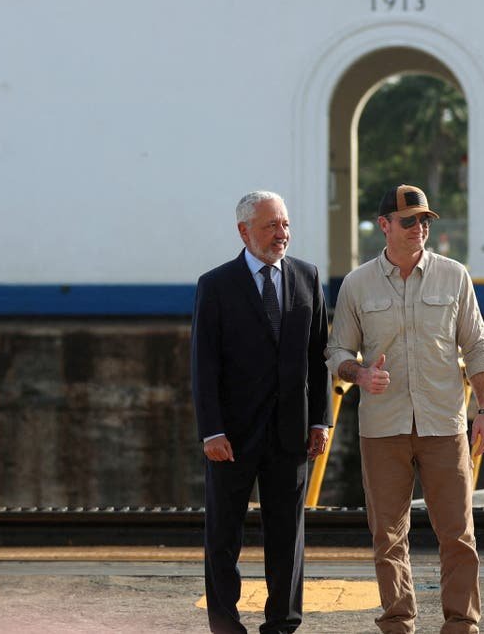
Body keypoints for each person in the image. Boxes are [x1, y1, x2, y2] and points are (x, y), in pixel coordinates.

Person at [325, 184, 484, 634]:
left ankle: (461, 624)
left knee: (458, 534)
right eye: (408, 220)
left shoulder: (454, 276)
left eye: (424, 220)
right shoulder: (357, 284)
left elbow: (477, 348)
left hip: (444, 425)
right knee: (388, 535)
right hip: (383, 427)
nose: (419, 227)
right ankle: (398, 623)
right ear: (384, 225)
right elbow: (337, 351)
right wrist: (360, 374)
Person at [191, 191, 332, 634]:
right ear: (244, 231)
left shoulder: (307, 276)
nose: (281, 234)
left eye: (285, 224)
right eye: (271, 225)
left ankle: (282, 624)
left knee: (287, 534)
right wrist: (211, 430)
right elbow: (204, 364)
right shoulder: (215, 285)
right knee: (223, 535)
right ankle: (225, 624)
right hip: (231, 435)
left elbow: (319, 356)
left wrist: (320, 420)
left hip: (291, 431)